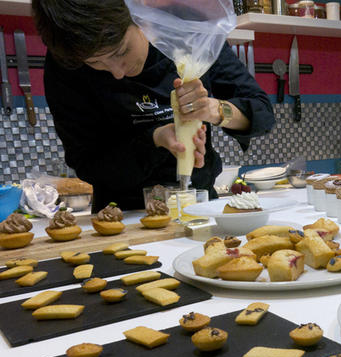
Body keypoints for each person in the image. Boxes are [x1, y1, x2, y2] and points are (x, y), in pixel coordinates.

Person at [32, 0, 275, 211]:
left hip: (200, 205)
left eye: (121, 51)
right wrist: (155, 139)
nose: (117, 72)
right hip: (120, 217)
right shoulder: (66, 65)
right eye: (96, 63)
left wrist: (215, 110)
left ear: (140, 18)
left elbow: (262, 113)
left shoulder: (187, 30)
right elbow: (87, 164)